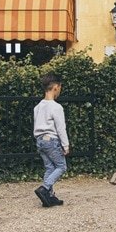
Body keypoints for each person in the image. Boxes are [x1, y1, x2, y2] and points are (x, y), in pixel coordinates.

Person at [33, 73, 70, 207]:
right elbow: (60, 128)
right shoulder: (56, 107)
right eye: (60, 88)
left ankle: (49, 197)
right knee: (61, 166)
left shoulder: (37, 107)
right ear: (55, 87)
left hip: (40, 141)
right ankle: (44, 188)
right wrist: (65, 145)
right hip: (51, 140)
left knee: (49, 168)